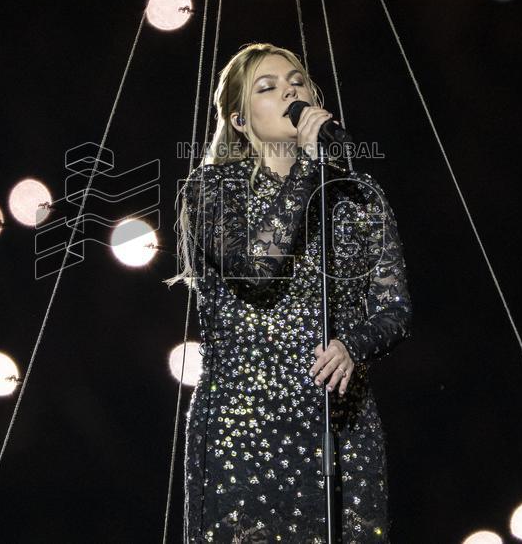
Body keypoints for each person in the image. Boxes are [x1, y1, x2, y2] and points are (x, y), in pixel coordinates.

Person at [165, 43, 413, 542]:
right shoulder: (213, 188)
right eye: (268, 87)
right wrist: (310, 166)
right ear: (239, 120)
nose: (290, 91)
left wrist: (352, 345)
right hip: (244, 426)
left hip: (339, 422)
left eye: (297, 81)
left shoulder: (358, 196)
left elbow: (395, 309)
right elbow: (256, 268)